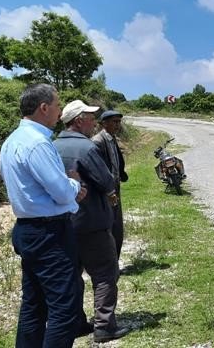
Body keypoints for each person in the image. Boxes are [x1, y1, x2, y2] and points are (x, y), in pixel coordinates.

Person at [0, 83, 87, 347]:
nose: (60, 112)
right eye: (58, 106)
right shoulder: (38, 143)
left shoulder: (12, 141)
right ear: (44, 107)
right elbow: (61, 192)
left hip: (28, 230)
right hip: (49, 233)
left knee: (34, 304)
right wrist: (74, 184)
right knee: (65, 308)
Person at [53, 100, 129, 343]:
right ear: (78, 121)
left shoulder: (52, 146)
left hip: (62, 223)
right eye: (90, 117)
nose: (94, 122)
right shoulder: (86, 148)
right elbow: (106, 180)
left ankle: (75, 322)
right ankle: (104, 326)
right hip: (91, 221)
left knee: (72, 275)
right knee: (105, 272)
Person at [91, 110, 128, 259]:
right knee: (109, 226)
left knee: (117, 227)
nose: (118, 125)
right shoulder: (98, 142)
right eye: (114, 122)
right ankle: (108, 261)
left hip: (114, 187)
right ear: (104, 123)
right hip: (106, 190)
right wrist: (107, 190)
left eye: (119, 122)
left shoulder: (111, 139)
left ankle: (114, 261)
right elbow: (97, 170)